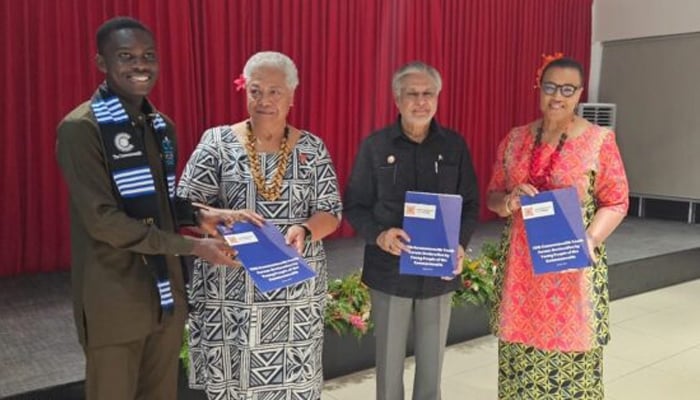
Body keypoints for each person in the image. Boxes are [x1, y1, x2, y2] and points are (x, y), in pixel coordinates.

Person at [55, 17, 241, 400]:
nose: (140, 65)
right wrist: (192, 247)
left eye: (148, 56)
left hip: (165, 294)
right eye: (126, 56)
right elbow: (104, 222)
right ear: (101, 63)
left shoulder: (160, 126)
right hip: (115, 297)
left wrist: (201, 216)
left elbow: (161, 201)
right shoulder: (81, 129)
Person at [177, 51, 342, 399]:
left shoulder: (312, 148)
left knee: (292, 386)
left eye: (274, 91)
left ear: (292, 95)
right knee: (232, 384)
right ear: (244, 91)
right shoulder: (217, 143)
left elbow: (330, 210)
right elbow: (183, 207)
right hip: (231, 287)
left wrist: (306, 230)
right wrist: (216, 225)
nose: (264, 100)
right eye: (255, 90)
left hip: (293, 293)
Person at [486, 56, 629, 399]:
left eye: (567, 89)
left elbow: (617, 200)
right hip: (522, 275)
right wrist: (508, 201)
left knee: (573, 376)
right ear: (539, 88)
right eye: (550, 87)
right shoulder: (515, 140)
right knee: (519, 372)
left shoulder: (599, 141)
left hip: (572, 271)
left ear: (579, 93)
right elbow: (492, 194)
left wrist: (591, 238)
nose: (557, 96)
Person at [344, 61, 479, 400]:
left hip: (439, 269)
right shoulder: (375, 146)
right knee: (389, 365)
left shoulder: (454, 146)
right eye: (412, 94)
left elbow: (471, 203)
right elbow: (354, 205)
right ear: (396, 99)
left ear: (438, 96)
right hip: (389, 270)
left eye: (428, 93)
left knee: (432, 364)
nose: (421, 102)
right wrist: (380, 234)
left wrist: (459, 245)